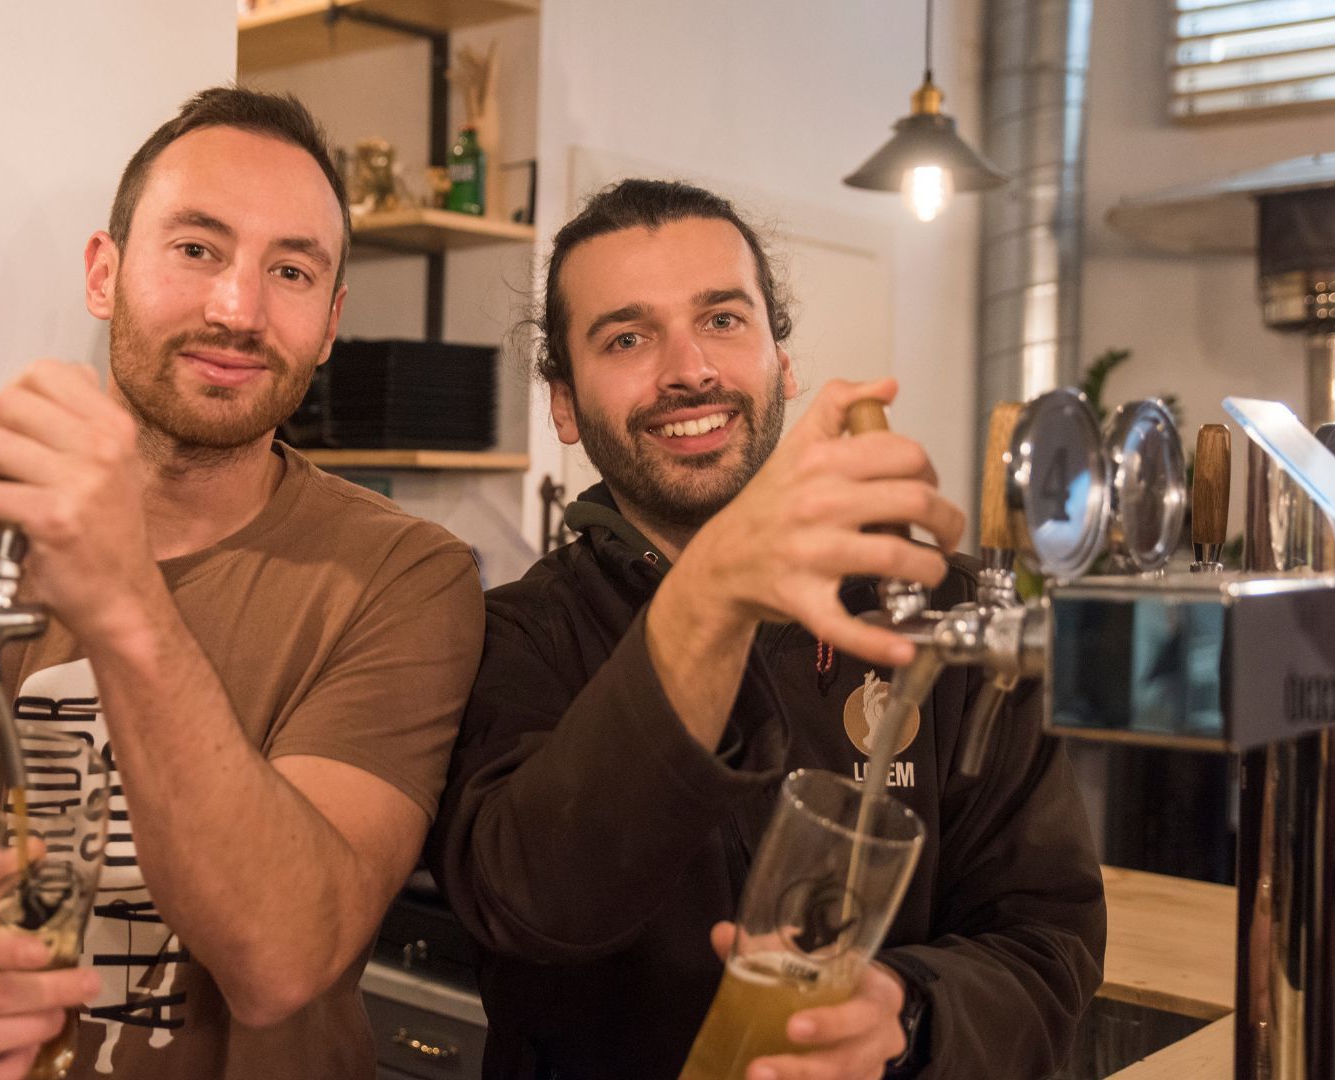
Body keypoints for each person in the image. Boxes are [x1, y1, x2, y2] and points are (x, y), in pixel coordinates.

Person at [0, 86, 484, 1079]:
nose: (239, 308)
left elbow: (283, 958)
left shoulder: (404, 579)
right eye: (197, 248)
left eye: (292, 270)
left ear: (332, 320)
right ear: (105, 272)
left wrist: (123, 596)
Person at [427, 179, 1105, 1080]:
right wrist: (713, 591)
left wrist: (908, 1015)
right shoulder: (514, 640)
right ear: (562, 402)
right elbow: (533, 910)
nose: (690, 370)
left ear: (782, 362)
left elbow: (1048, 941)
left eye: (722, 320)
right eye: (627, 337)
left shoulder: (942, 612)